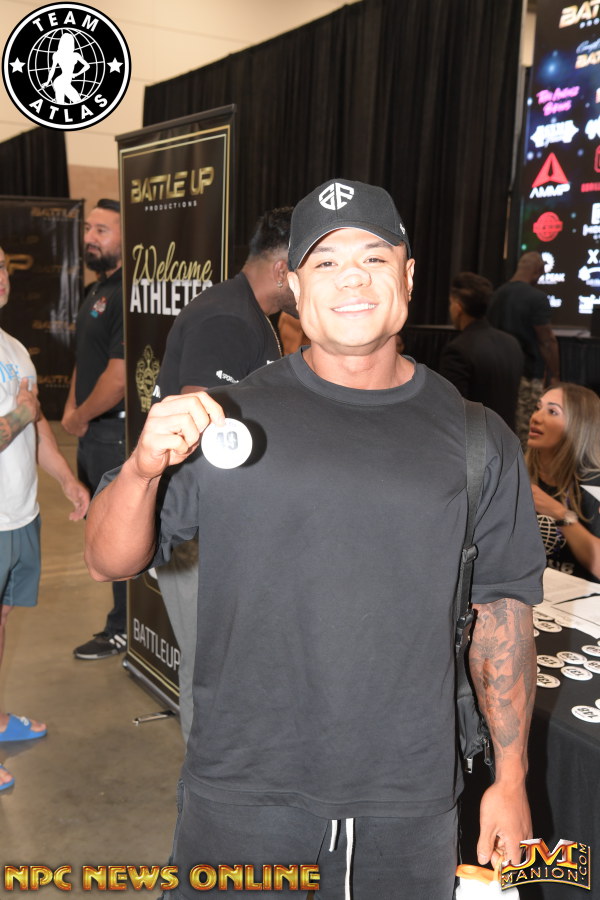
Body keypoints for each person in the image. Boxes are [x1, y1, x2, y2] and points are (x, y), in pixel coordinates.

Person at [84, 179, 545, 899]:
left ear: (408, 275)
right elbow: (107, 558)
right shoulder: (227, 418)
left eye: (373, 257)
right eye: (325, 262)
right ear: (294, 286)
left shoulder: (478, 438)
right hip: (242, 788)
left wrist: (510, 780)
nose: (351, 278)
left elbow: (503, 613)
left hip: (409, 797)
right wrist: (142, 471)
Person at [154, 207, 297, 744]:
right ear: (282, 270)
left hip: (212, 523)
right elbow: (198, 425)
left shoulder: (245, 312)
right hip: (198, 527)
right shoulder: (230, 319)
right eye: (311, 267)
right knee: (209, 667)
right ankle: (205, 781)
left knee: (223, 663)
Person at [0, 246, 89, 791]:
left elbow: (36, 433)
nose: (0, 277)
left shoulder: (13, 348)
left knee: (3, 619)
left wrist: (66, 480)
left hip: (20, 516)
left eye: (1, 266)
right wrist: (22, 411)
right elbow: (24, 416)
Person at [61, 198, 126, 660]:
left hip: (113, 435)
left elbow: (118, 378)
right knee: (100, 533)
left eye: (102, 230)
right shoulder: (94, 290)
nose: (90, 238)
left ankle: (123, 628)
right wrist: (71, 409)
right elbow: (85, 361)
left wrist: (81, 416)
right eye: (89, 228)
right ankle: (122, 621)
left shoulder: (127, 294)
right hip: (91, 434)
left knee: (118, 535)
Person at [526, 382, 600, 582]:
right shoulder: (517, 472)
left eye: (552, 412)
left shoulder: (593, 484)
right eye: (538, 408)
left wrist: (560, 514)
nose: (536, 417)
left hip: (579, 597)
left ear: (579, 425)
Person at [487, 251, 560, 446]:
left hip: (497, 375)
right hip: (527, 376)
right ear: (537, 271)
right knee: (526, 434)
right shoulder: (537, 298)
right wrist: (554, 375)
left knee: (498, 430)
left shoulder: (495, 295)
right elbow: (547, 341)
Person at [439, 272, 524, 430]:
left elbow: (453, 409)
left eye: (451, 303)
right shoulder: (512, 343)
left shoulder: (458, 349)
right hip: (508, 437)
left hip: (475, 440)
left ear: (458, 307)